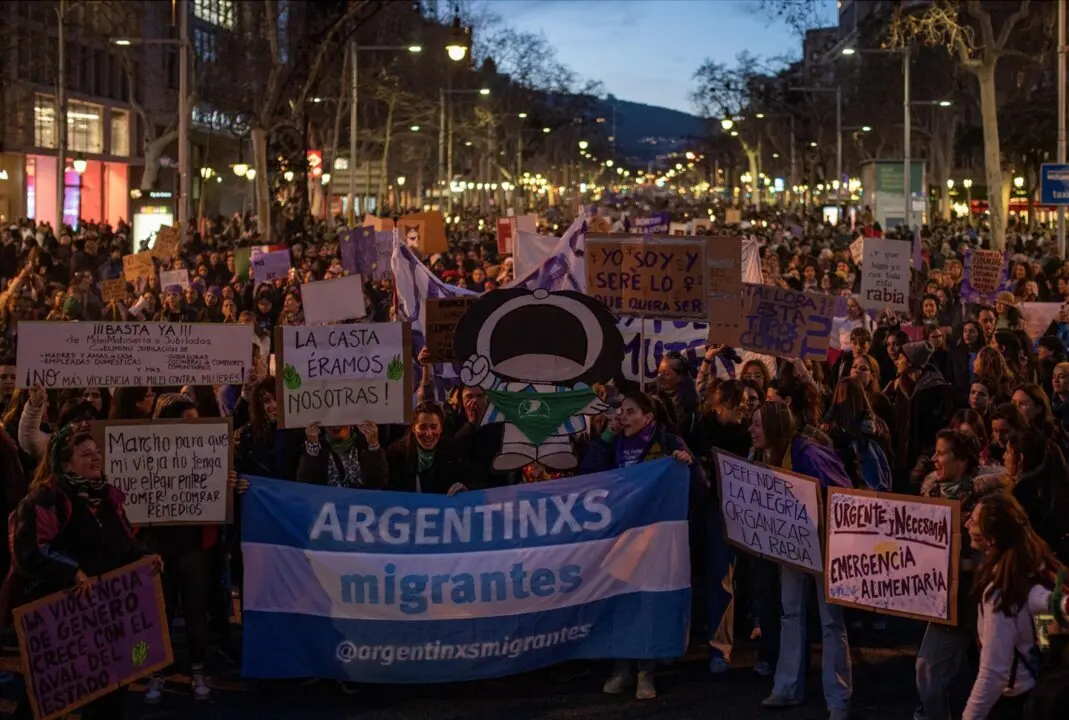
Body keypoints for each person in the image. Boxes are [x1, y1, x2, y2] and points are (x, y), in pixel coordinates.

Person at [9, 425, 162, 719]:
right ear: (64, 463)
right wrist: (73, 572)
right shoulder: (45, 500)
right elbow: (31, 552)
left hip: (104, 612)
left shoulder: (108, 498)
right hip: (62, 615)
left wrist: (145, 556)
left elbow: (124, 541)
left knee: (108, 691)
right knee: (51, 693)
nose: (95, 459)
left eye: (96, 452)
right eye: (85, 454)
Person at [580, 391, 702, 700]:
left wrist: (685, 462)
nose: (623, 417)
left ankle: (646, 673)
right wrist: (606, 435)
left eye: (631, 412)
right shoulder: (614, 443)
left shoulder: (668, 442)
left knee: (647, 604)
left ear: (648, 418)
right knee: (620, 602)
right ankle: (621, 669)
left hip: (654, 539)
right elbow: (587, 472)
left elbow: (698, 483)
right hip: (620, 538)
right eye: (621, 411)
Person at [750, 402, 852, 720]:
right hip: (791, 546)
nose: (751, 430)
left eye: (757, 424)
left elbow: (843, 490)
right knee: (790, 614)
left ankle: (838, 699)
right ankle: (787, 687)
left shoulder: (808, 452)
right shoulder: (760, 454)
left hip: (824, 544)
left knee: (831, 620)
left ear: (775, 427)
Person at [963, 493, 1067, 719]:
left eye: (973, 520)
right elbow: (1043, 601)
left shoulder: (1001, 594)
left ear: (992, 538)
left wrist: (970, 716)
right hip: (1031, 689)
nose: (967, 524)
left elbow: (993, 672)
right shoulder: (1032, 567)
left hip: (1011, 703)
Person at [384, 402, 471, 494]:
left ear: (441, 428)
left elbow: (473, 481)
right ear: (413, 428)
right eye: (422, 427)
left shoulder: (453, 453)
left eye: (433, 427)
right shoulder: (396, 453)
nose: (429, 433)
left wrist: (464, 487)